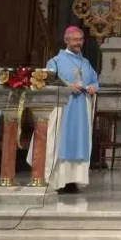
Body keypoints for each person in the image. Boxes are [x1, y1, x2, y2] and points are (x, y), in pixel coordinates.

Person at [28, 26, 99, 194]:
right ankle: (56, 180)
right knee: (59, 141)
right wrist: (67, 86)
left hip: (82, 108)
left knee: (79, 143)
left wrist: (93, 87)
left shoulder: (86, 62)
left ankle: (73, 181)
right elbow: (46, 82)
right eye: (75, 40)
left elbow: (96, 81)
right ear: (66, 40)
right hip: (62, 107)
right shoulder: (55, 62)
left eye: (81, 40)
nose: (79, 43)